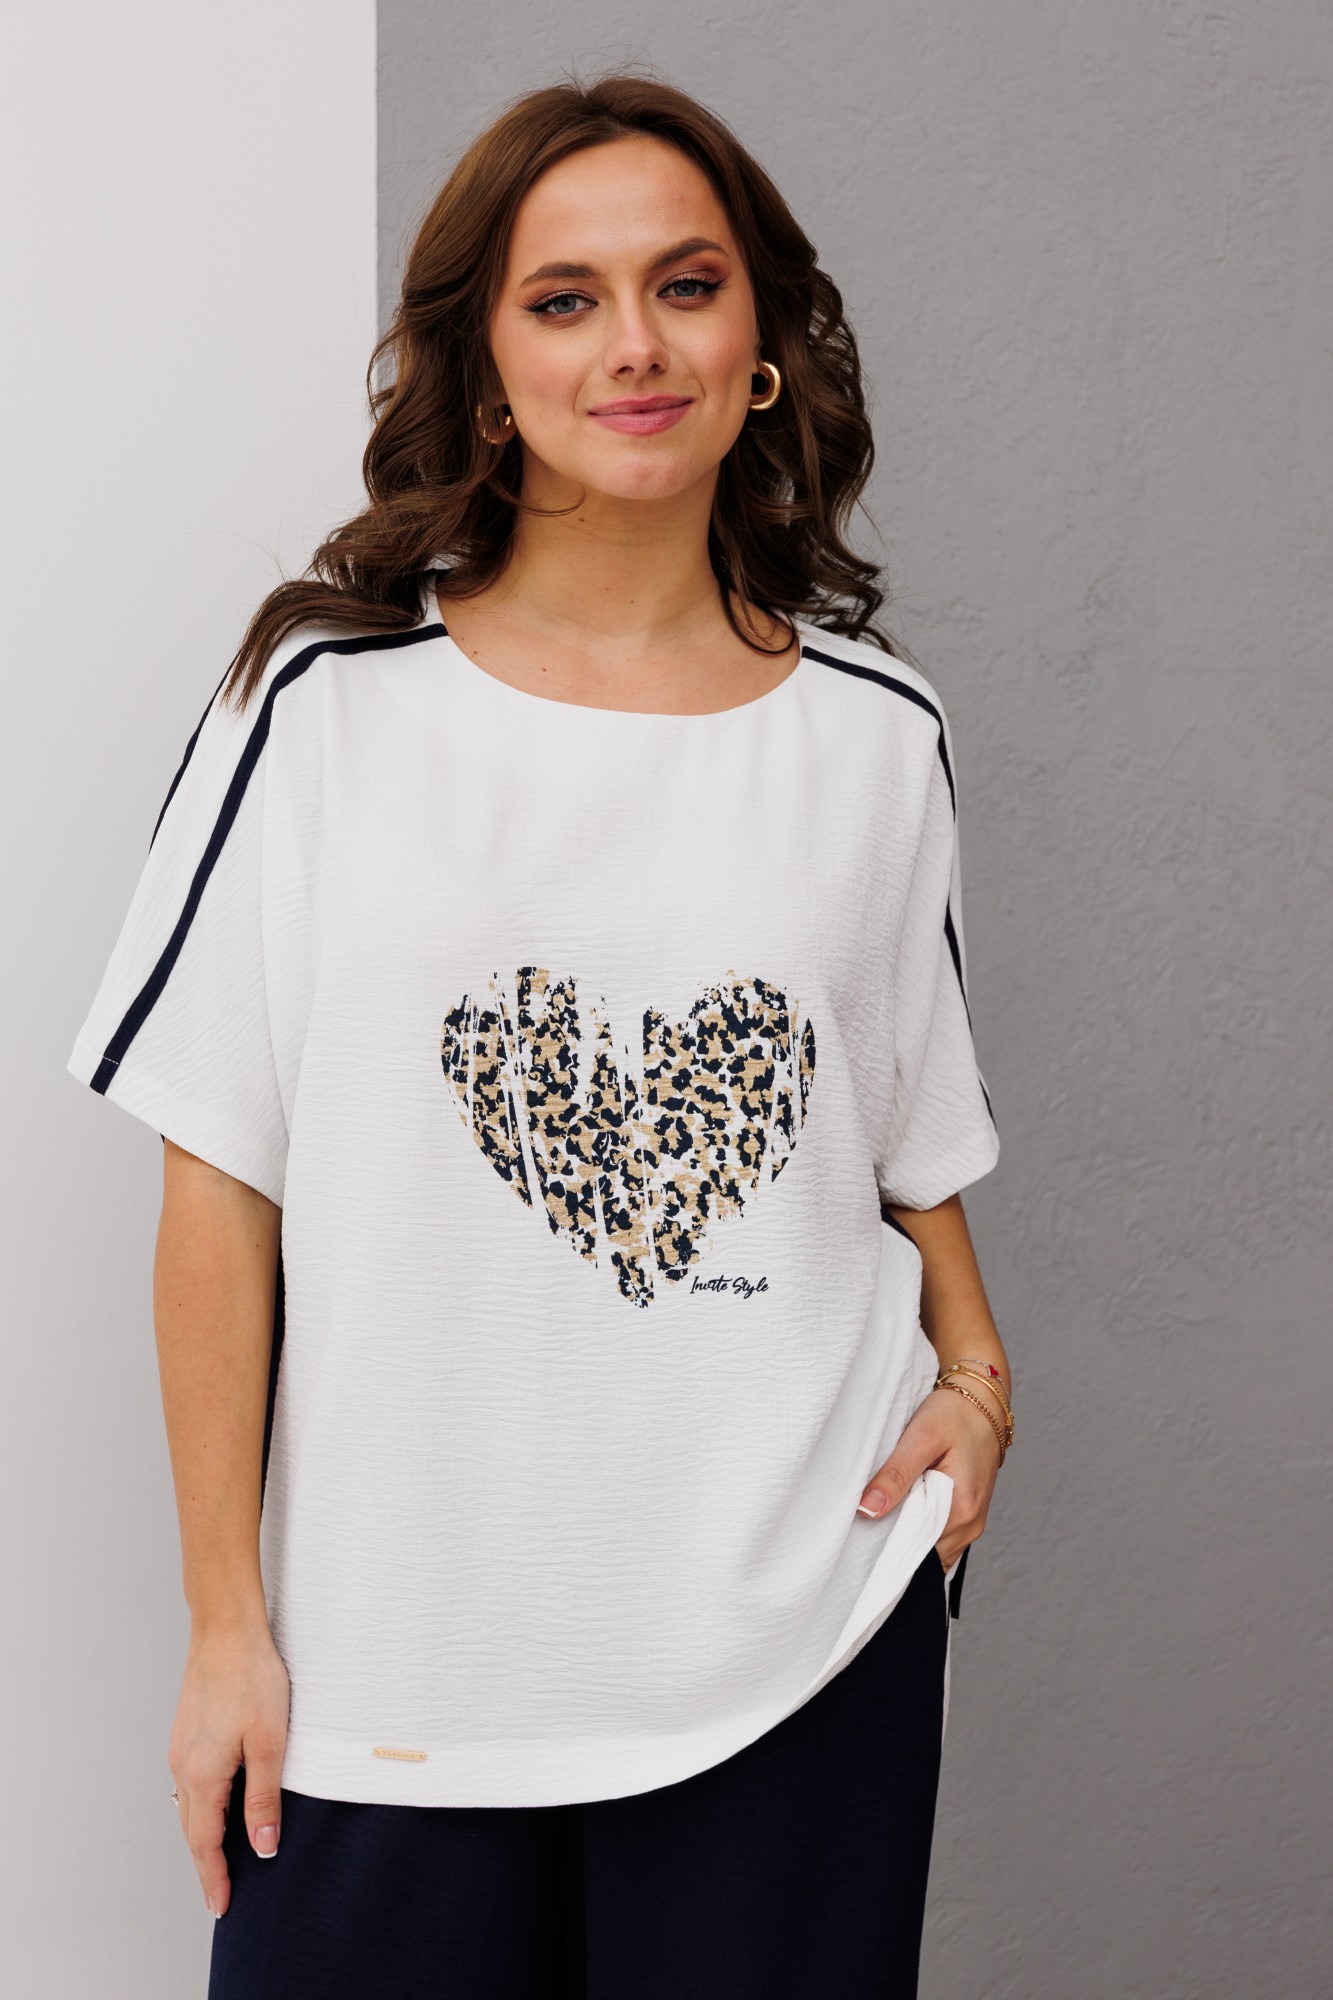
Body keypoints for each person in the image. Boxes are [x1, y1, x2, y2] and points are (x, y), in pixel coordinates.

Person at [66, 70, 1013, 2000]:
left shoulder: (875, 734)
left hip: (799, 1651)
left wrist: (983, 1385)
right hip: (395, 1667)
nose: (633, 345)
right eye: (563, 300)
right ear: (488, 373)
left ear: (760, 344)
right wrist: (226, 1626)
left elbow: (900, 1135)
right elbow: (217, 1187)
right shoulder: (319, 708)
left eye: (686, 284)